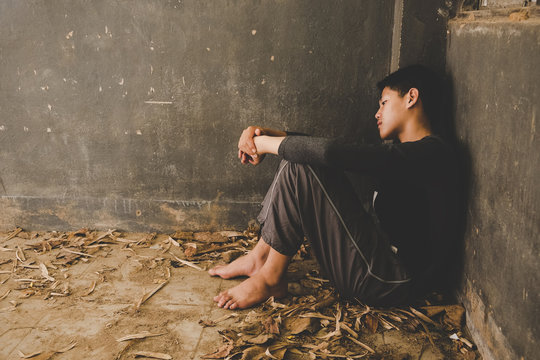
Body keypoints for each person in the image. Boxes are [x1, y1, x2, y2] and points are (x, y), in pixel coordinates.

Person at [209, 65, 458, 310]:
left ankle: (271, 279)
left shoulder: (433, 154)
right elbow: (327, 152)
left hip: (391, 281)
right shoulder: (406, 155)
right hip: (376, 261)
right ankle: (259, 258)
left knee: (302, 165)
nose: (377, 113)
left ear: (411, 98)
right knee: (299, 158)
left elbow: (330, 153)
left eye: (383, 102)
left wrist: (264, 143)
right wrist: (265, 134)